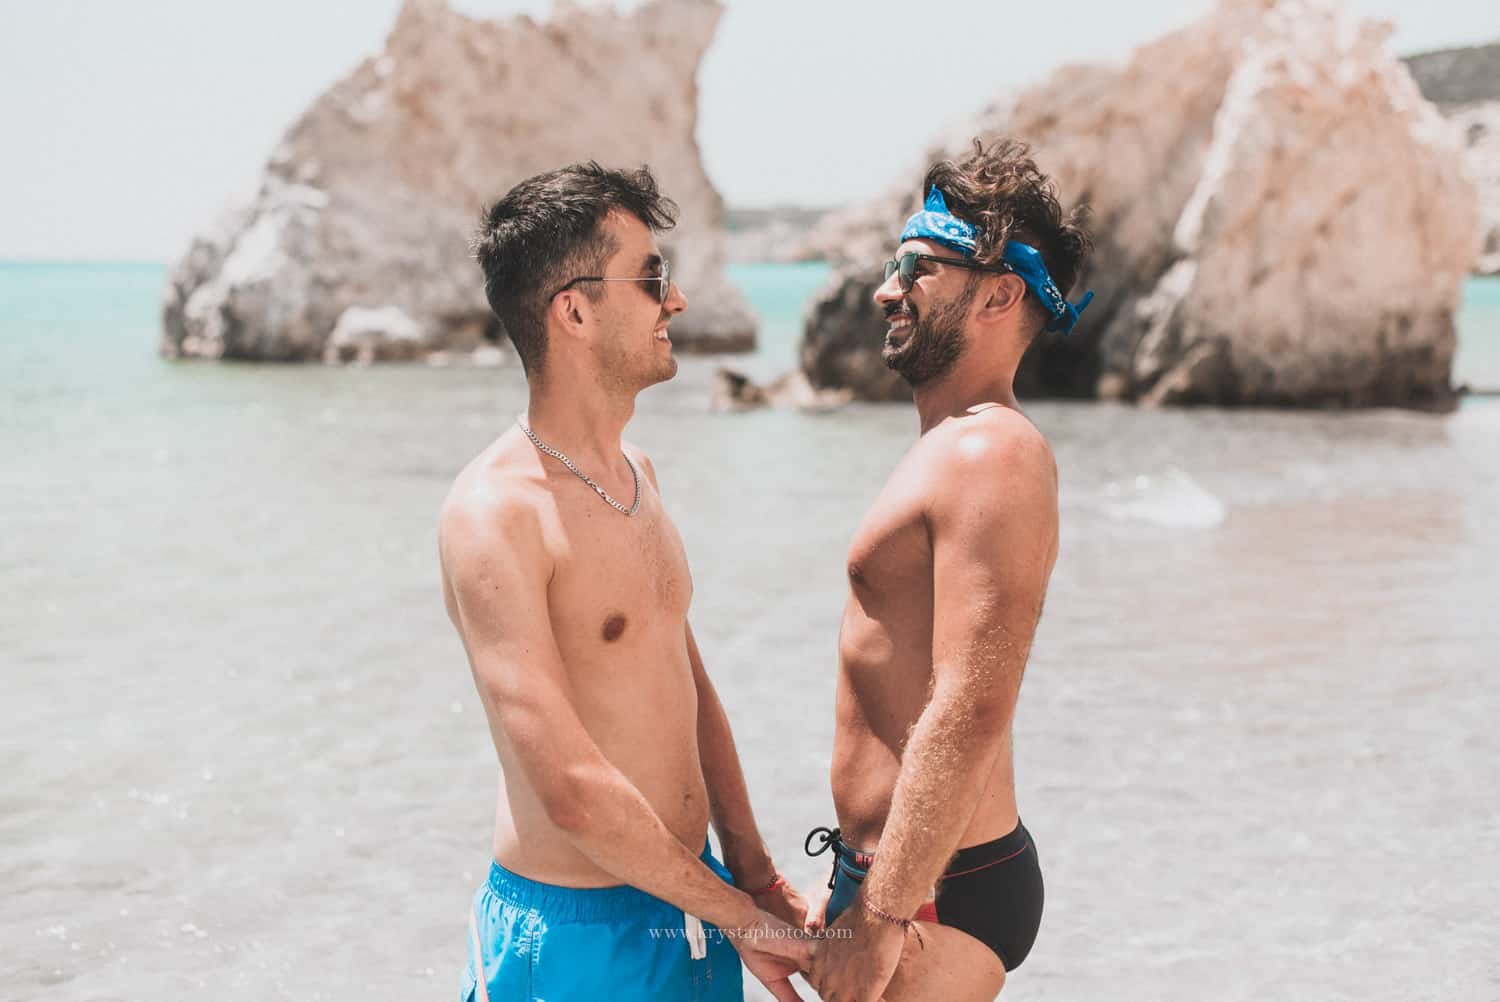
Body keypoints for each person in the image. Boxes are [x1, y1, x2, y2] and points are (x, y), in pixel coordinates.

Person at [440, 162, 811, 1002]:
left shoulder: (636, 472)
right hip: (578, 940)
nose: (674, 301)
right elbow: (569, 792)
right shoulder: (496, 514)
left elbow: (685, 685)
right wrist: (738, 916)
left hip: (690, 903)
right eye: (651, 278)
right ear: (573, 310)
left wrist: (751, 877)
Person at [803, 139, 1094, 1002]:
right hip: (903, 872)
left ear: (1001, 292)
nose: (886, 288)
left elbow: (970, 702)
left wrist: (884, 912)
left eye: (918, 267)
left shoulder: (992, 453)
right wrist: (857, 877)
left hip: (937, 890)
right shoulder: (951, 447)